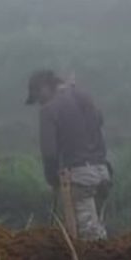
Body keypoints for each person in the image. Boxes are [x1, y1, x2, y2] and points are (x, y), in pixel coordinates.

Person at [25, 69, 111, 240]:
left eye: (38, 97)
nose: (39, 103)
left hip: (79, 176)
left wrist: (52, 179)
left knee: (88, 237)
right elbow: (99, 120)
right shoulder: (83, 96)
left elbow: (49, 152)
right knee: (98, 228)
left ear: (44, 88)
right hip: (103, 173)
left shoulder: (49, 110)